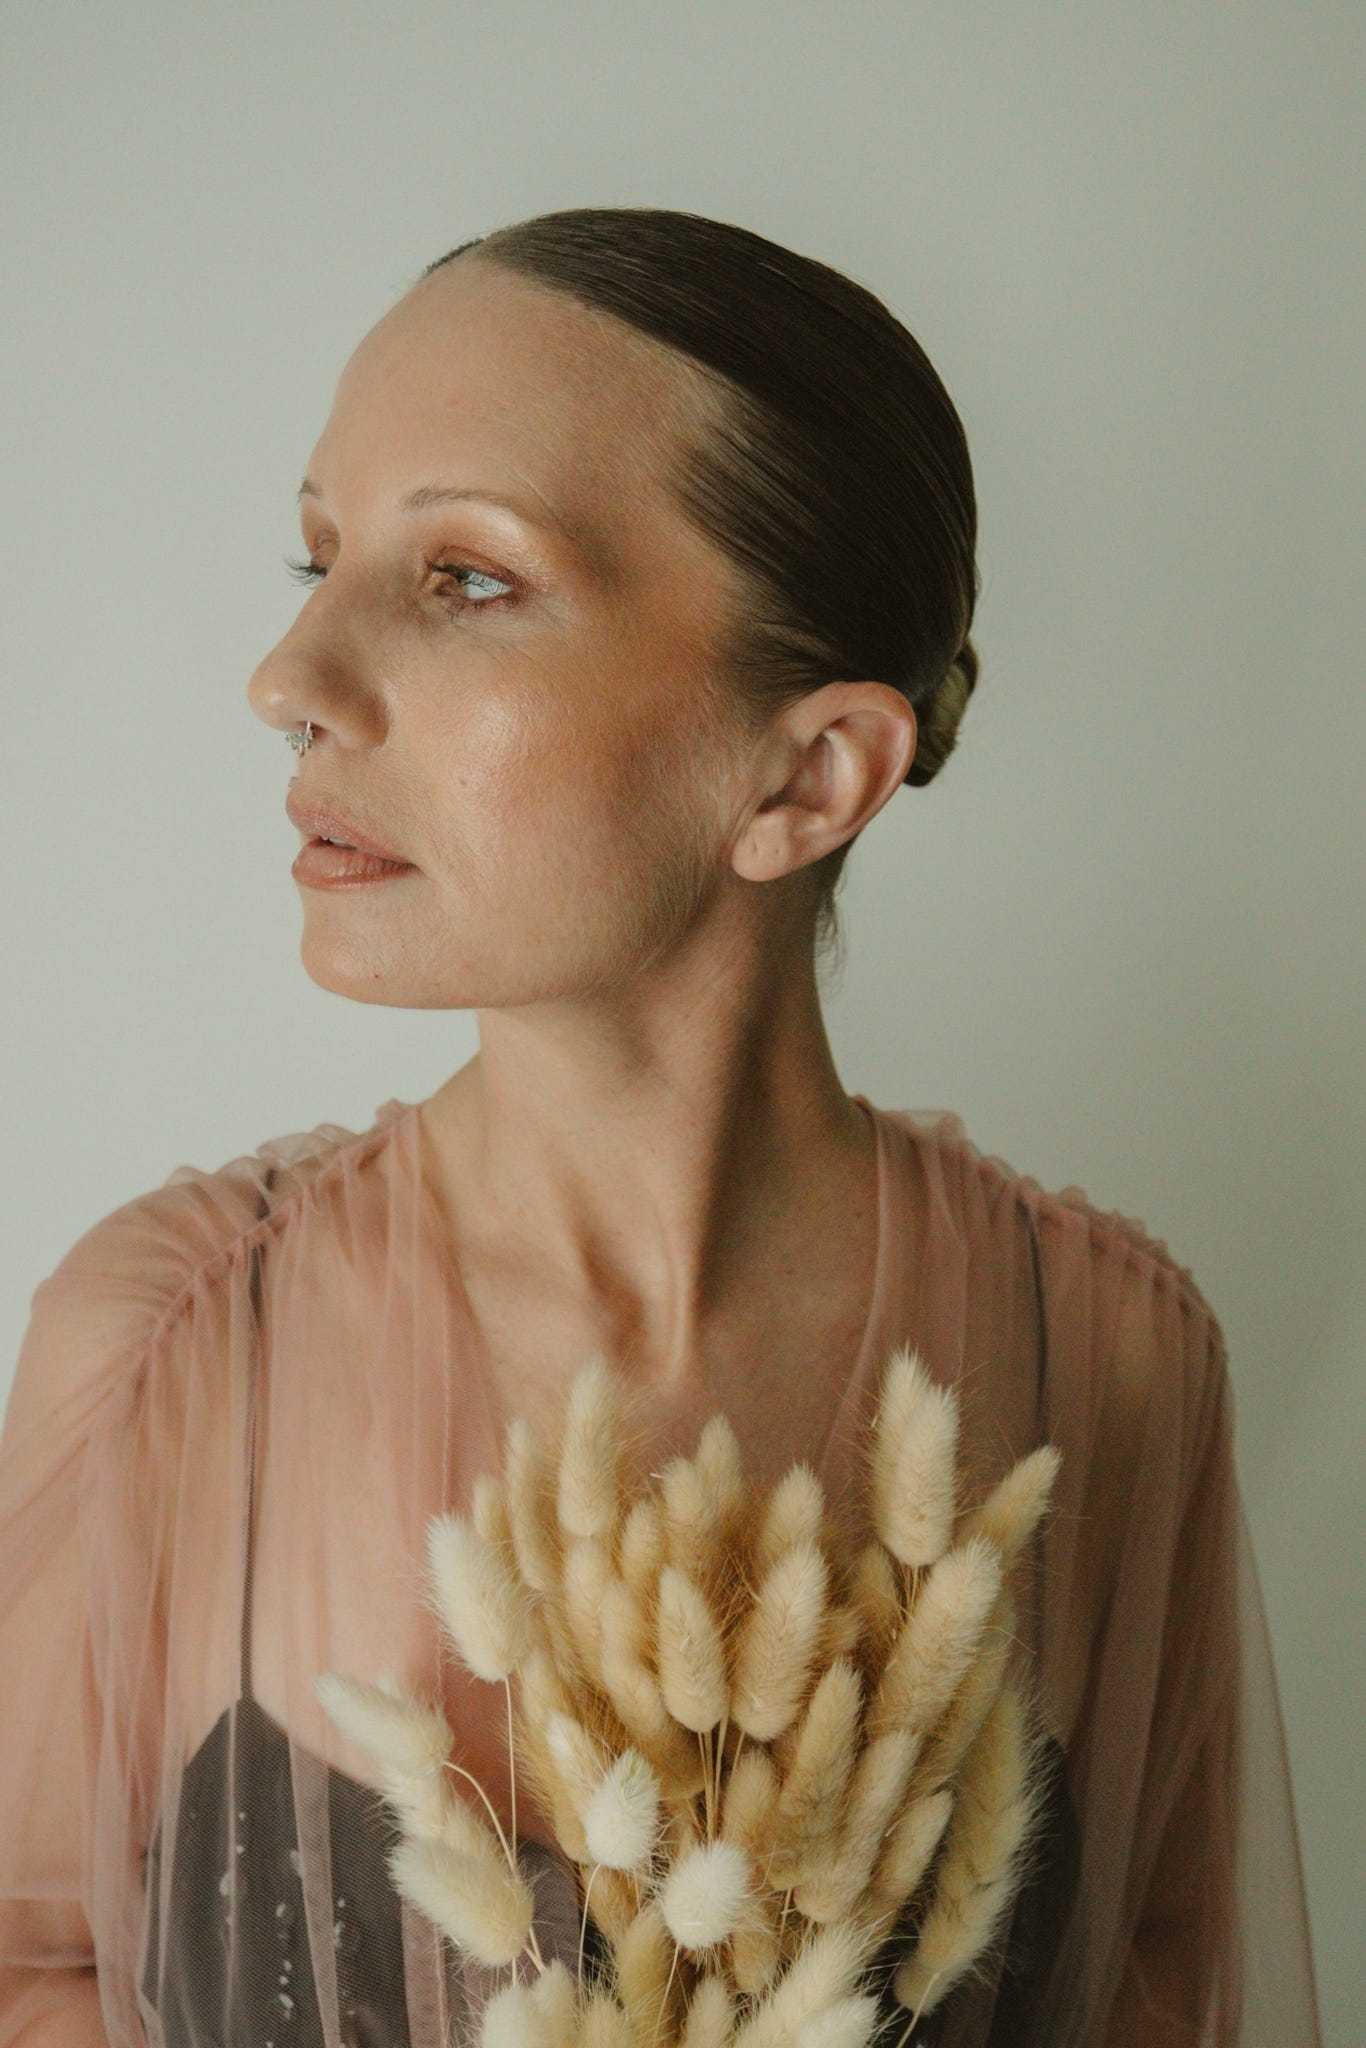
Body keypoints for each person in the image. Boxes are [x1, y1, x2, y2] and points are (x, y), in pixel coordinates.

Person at [0, 207, 1322, 2046]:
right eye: (312, 557)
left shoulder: (1104, 1358)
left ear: (804, 772)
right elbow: (24, 1965)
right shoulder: (165, 1344)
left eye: (464, 577)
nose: (289, 676)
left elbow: (1159, 2003)